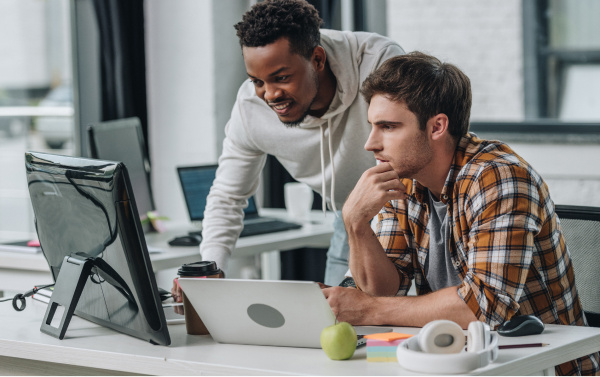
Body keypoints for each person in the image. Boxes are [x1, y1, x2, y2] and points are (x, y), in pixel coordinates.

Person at [322, 52, 600, 375]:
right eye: (372, 126)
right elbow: (381, 293)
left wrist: (368, 310)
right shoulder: (401, 180)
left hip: (541, 368)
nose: (371, 143)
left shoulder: (499, 178)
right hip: (456, 362)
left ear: (437, 126)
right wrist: (356, 225)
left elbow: (483, 308)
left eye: (388, 126)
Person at [198, 0, 404, 285]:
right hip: (349, 220)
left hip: (408, 211)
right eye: (257, 81)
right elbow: (227, 196)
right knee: (337, 320)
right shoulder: (251, 109)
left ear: (317, 60)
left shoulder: (378, 63)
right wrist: (210, 267)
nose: (269, 95)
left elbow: (414, 153)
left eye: (281, 78)